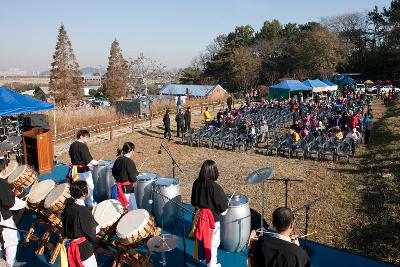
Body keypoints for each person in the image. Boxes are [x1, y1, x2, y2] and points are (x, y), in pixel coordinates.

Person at [191, 160, 228, 267]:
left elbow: (193, 202)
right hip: (211, 221)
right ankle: (211, 264)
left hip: (197, 216)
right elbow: (224, 209)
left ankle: (197, 257)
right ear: (214, 172)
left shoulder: (196, 183)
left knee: (198, 239)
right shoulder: (215, 187)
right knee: (212, 244)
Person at [62, 181, 98, 267]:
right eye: (88, 188)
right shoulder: (83, 210)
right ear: (84, 194)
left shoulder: (68, 206)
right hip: (83, 249)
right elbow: (90, 232)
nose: (89, 190)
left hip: (70, 245)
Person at [0, 158, 27, 267]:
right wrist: (23, 204)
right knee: (11, 240)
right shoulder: (1, 183)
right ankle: (11, 264)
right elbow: (9, 202)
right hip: (3, 218)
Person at [68, 130, 99, 207]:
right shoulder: (82, 145)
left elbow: (71, 155)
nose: (87, 139)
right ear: (81, 136)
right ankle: (90, 203)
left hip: (75, 170)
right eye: (86, 137)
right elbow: (89, 161)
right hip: (83, 171)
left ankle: (78, 203)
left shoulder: (72, 145)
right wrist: (99, 163)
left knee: (78, 187)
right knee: (89, 186)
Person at [111, 142, 139, 211]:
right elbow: (132, 177)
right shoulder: (129, 161)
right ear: (131, 150)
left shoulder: (118, 159)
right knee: (132, 209)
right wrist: (136, 175)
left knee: (122, 208)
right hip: (127, 189)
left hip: (119, 187)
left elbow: (113, 172)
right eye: (133, 150)